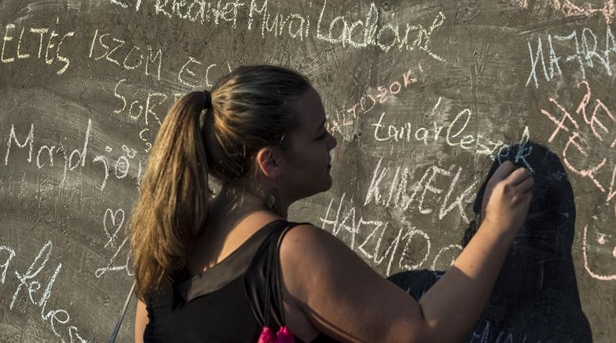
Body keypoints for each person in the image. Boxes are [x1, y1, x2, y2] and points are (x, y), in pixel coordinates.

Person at [130, 65, 534, 342]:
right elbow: (422, 334)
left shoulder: (166, 244)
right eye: (319, 135)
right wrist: (495, 229)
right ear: (270, 161)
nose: (334, 143)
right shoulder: (290, 254)